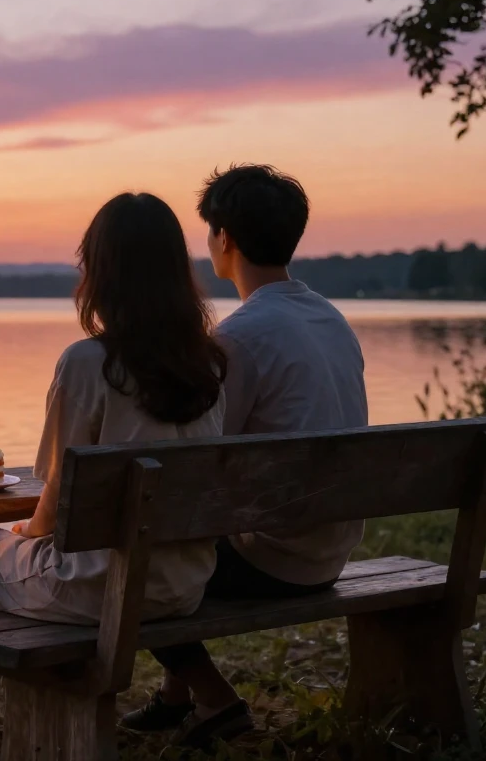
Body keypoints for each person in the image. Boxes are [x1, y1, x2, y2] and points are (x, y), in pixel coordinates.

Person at [0, 192, 228, 761]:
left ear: (101, 272)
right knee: (15, 561)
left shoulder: (89, 363)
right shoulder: (208, 363)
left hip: (103, 590)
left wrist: (24, 537)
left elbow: (56, 501)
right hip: (185, 584)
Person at [120, 164, 368, 747]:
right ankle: (178, 696)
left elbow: (198, 462)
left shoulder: (240, 337)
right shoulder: (330, 319)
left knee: (139, 563)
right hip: (332, 548)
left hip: (280, 558)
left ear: (223, 238)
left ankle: (216, 699)